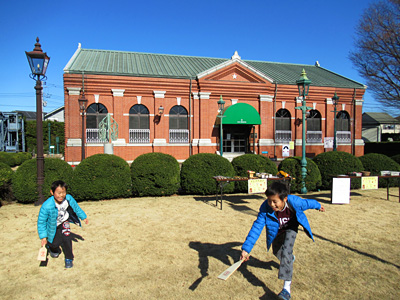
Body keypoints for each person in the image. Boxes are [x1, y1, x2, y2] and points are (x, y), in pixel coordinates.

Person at [240, 181, 325, 300]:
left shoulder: (294, 202)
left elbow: (307, 203)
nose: (271, 204)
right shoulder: (265, 207)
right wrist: (246, 249)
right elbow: (256, 228)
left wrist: (318, 206)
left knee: (286, 252)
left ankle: (286, 290)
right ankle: (290, 259)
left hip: (291, 228)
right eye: (269, 200)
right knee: (277, 252)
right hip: (277, 231)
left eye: (275, 201)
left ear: (284, 199)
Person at [37, 180, 89, 268]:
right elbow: (41, 222)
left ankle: (69, 258)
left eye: (63, 192)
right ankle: (52, 248)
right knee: (54, 242)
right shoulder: (46, 206)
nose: (61, 195)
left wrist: (83, 217)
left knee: (67, 238)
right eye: (59, 193)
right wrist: (43, 237)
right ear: (52, 192)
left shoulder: (68, 199)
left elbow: (76, 208)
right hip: (53, 225)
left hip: (64, 222)